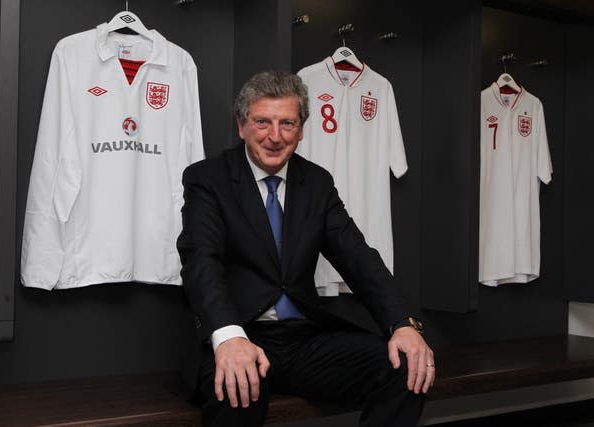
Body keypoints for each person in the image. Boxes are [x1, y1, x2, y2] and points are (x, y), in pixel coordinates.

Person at [177, 70, 435, 427]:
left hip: (301, 341)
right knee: (239, 384)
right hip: (238, 334)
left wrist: (402, 324)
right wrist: (230, 336)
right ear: (242, 126)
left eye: (287, 123)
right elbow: (200, 262)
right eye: (262, 122)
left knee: (407, 366)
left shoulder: (316, 182)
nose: (275, 136)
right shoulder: (207, 178)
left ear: (301, 130)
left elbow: (358, 257)